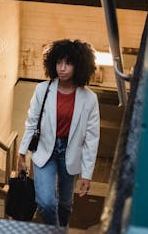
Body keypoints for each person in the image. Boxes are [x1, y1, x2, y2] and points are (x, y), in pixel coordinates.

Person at [17, 39, 100, 227]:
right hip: (45, 150)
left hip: (70, 154)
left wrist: (87, 174)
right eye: (58, 62)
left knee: (65, 204)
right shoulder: (42, 90)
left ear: (79, 66)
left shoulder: (89, 99)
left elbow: (92, 138)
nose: (62, 68)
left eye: (68, 63)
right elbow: (31, 123)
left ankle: (61, 227)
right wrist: (22, 154)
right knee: (45, 203)